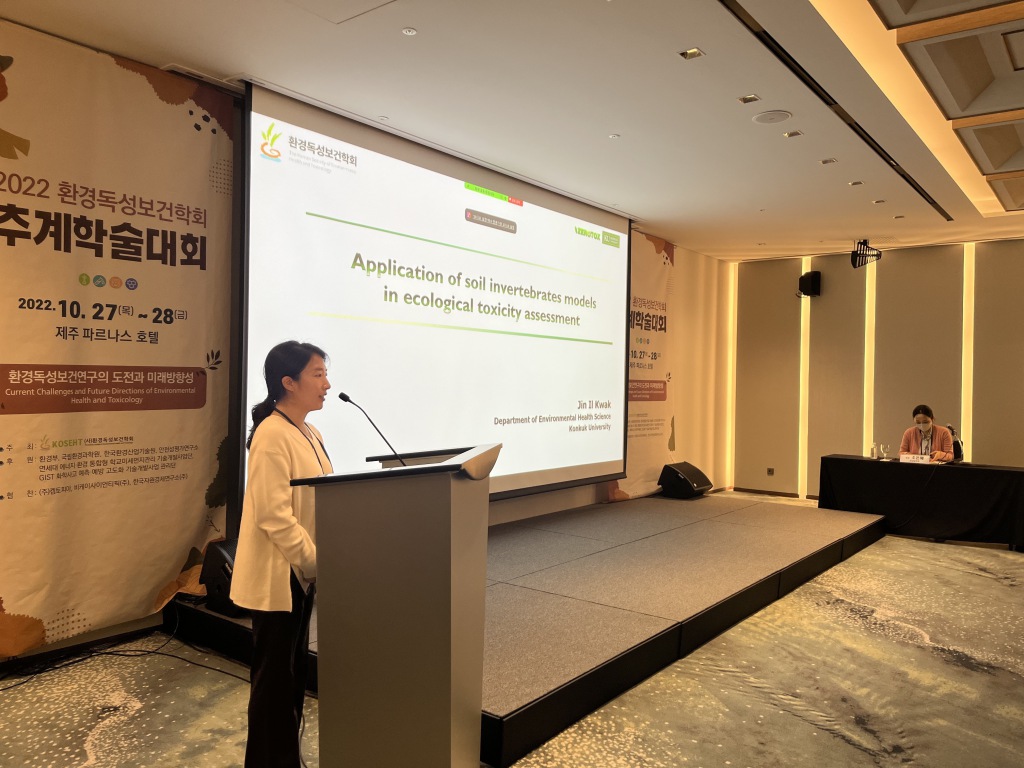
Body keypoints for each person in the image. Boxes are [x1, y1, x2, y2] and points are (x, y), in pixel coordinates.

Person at [230, 341, 333, 767]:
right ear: (288, 382)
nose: (327, 384)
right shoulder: (272, 434)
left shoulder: (309, 431)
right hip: (280, 575)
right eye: (318, 375)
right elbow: (274, 515)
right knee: (273, 683)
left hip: (300, 573)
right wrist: (316, 562)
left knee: (291, 677)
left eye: (325, 374)